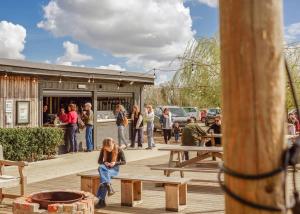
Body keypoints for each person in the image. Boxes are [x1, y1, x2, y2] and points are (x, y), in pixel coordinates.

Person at [95, 138, 126, 208]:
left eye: (110, 148)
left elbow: (124, 162)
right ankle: (108, 185)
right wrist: (104, 162)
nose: (109, 150)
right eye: (107, 148)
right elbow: (99, 161)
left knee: (104, 179)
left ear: (113, 144)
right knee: (101, 167)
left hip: (114, 169)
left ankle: (101, 201)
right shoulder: (103, 149)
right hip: (105, 167)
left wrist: (115, 163)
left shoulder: (119, 149)